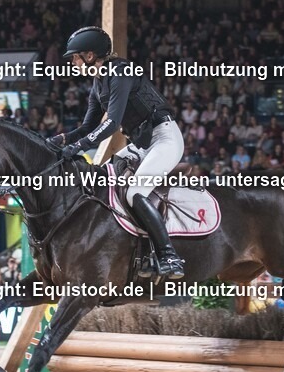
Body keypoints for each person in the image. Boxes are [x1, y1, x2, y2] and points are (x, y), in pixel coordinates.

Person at [49, 26, 186, 279]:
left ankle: (169, 255)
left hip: (164, 138)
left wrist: (78, 147)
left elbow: (111, 124)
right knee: (105, 181)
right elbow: (87, 127)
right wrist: (59, 140)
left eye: (76, 57)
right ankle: (139, 252)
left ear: (90, 55)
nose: (74, 62)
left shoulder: (120, 71)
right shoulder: (98, 82)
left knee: (135, 192)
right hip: (141, 144)